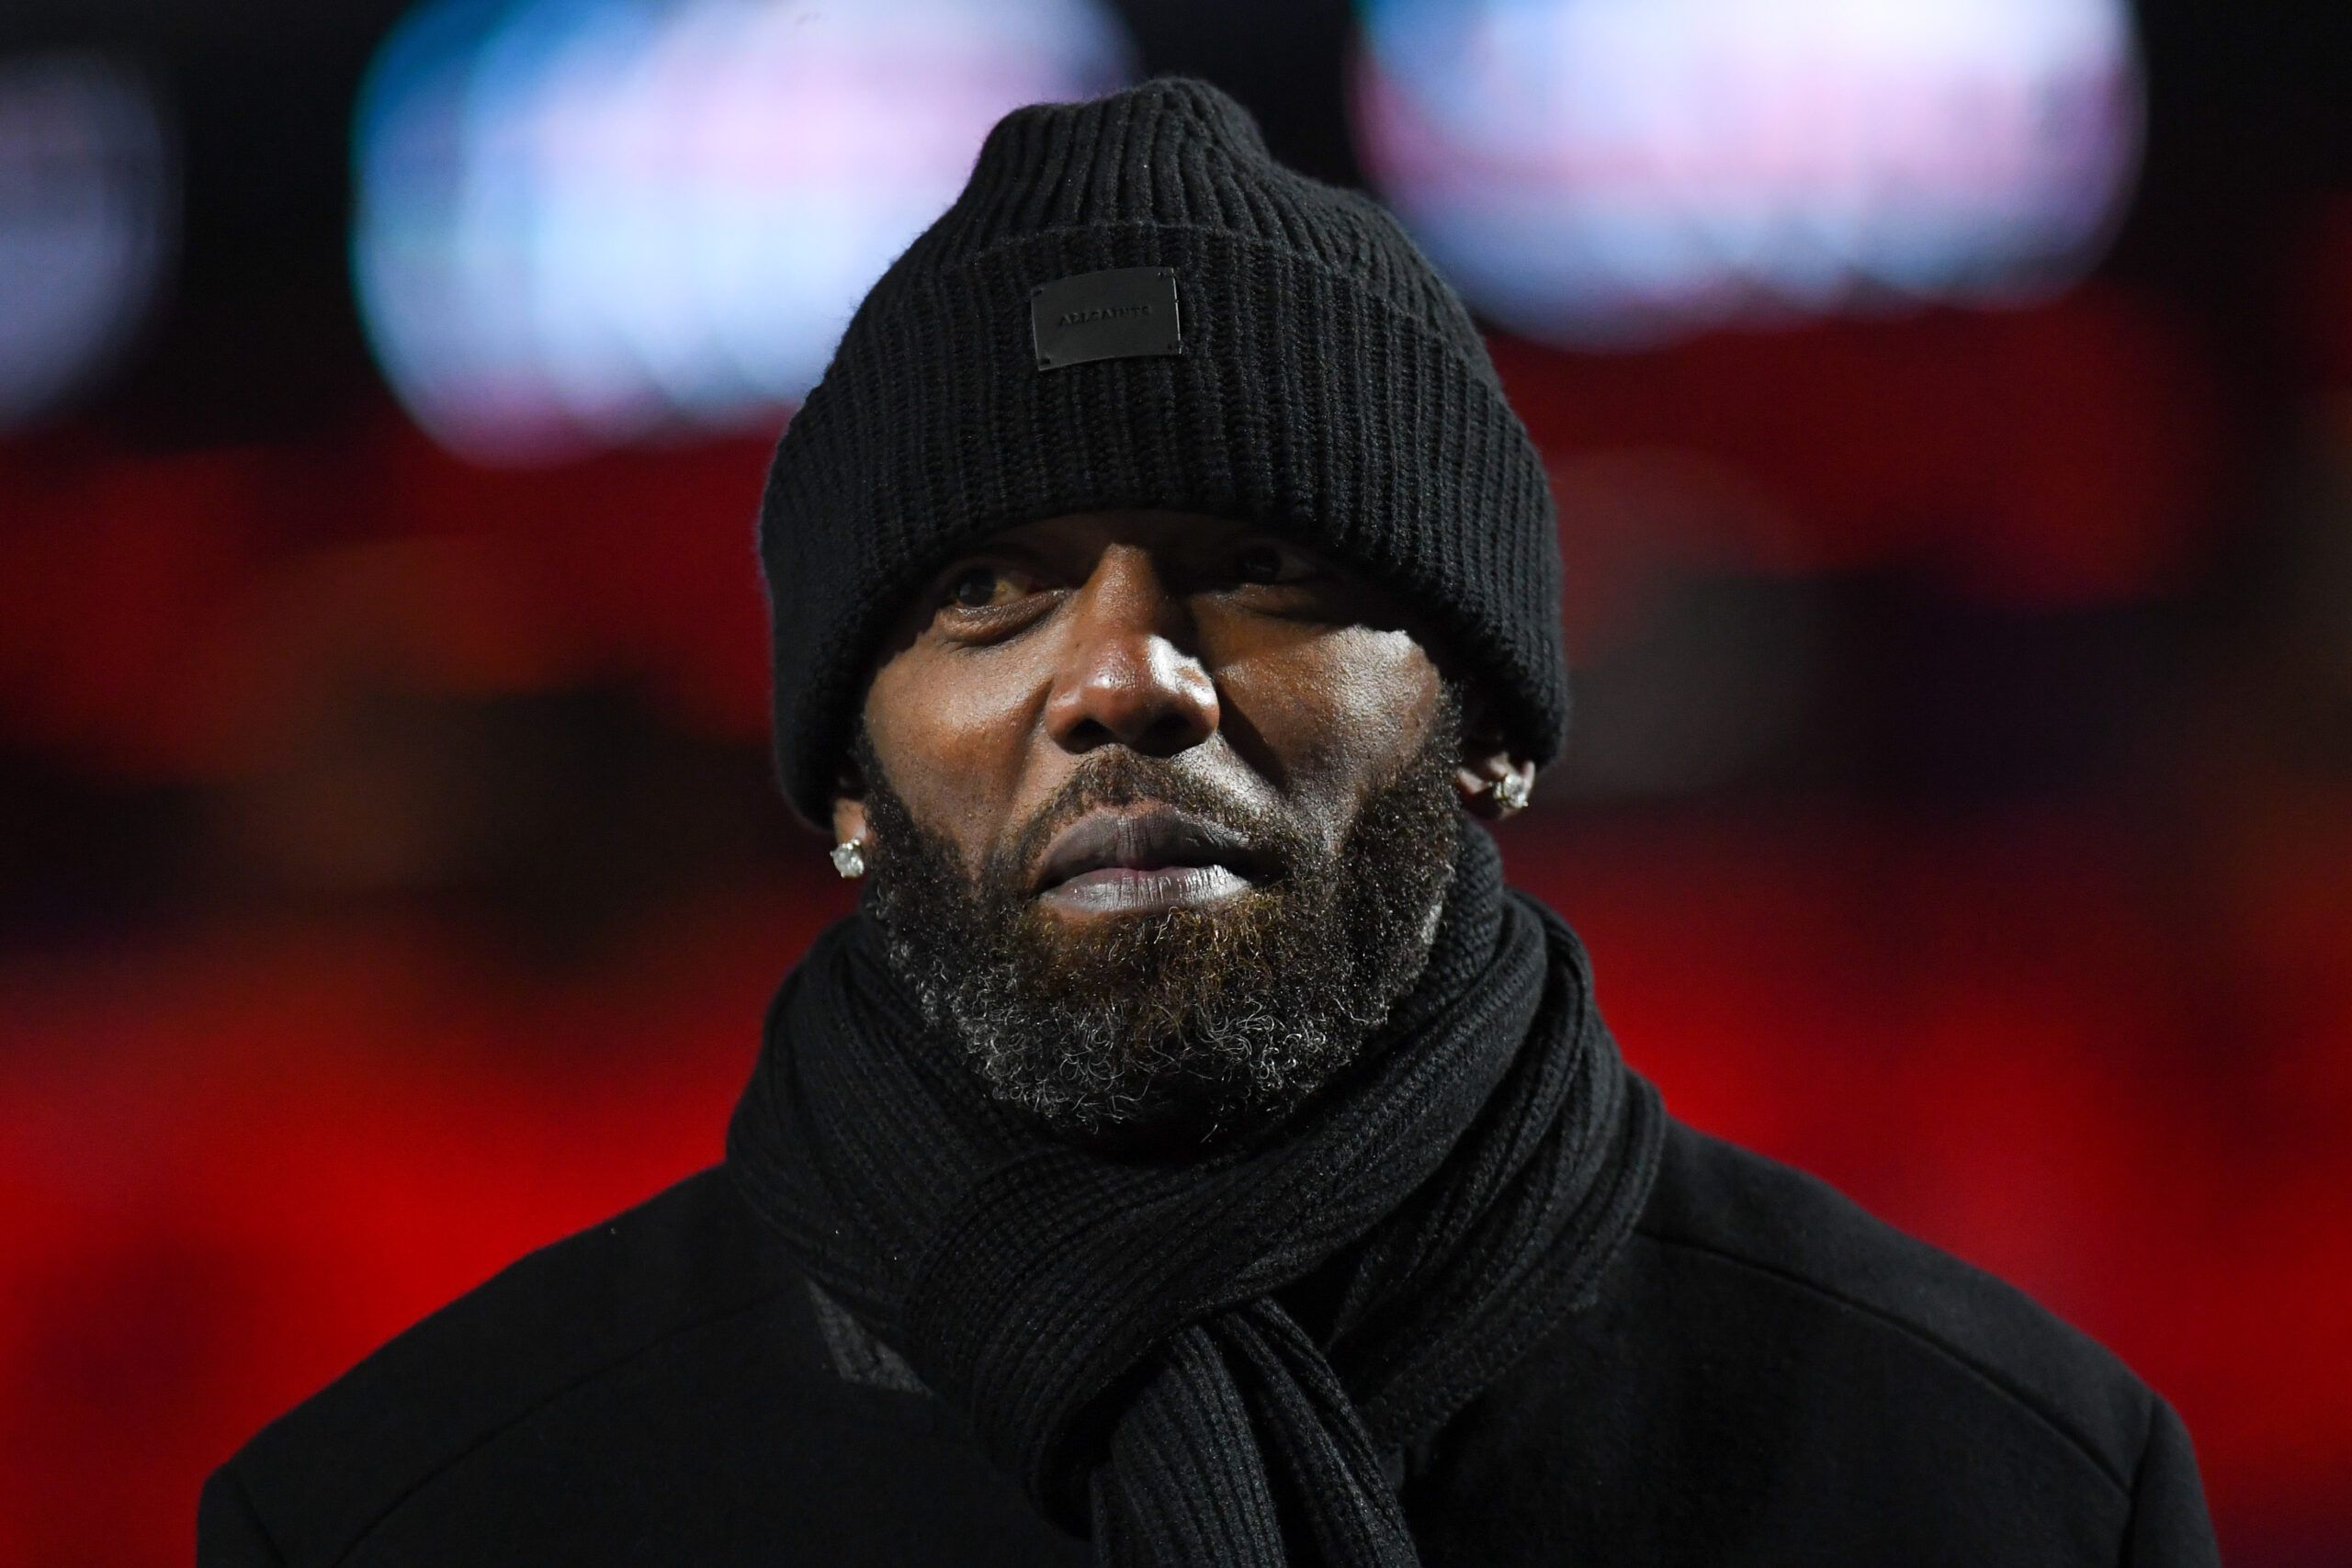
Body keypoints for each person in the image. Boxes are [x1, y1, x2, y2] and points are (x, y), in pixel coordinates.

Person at [198, 75, 2220, 1566]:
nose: (1121, 672)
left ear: (1488, 716)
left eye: (1254, 558)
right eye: (983, 591)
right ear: (837, 774)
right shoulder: (415, 1512)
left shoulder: (1997, 1478)